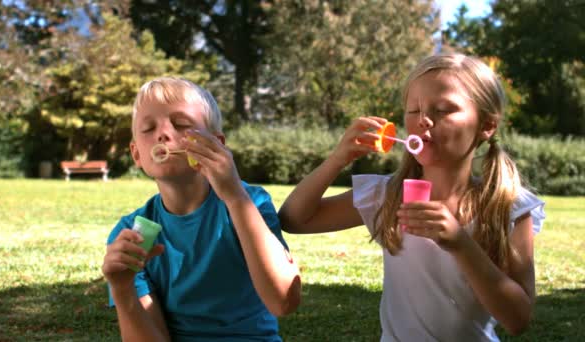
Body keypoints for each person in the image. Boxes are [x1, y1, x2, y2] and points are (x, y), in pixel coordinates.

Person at [279, 53, 545, 341]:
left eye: (443, 109)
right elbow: (294, 219)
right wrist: (336, 160)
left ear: (486, 125)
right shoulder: (386, 196)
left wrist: (460, 243)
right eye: (413, 111)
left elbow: (518, 319)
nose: (424, 121)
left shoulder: (509, 206)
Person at [102, 76, 301, 341]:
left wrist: (234, 197)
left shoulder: (249, 202)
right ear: (137, 154)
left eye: (181, 124)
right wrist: (123, 289)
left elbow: (284, 302)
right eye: (148, 128)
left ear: (216, 144)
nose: (163, 133)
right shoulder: (134, 232)